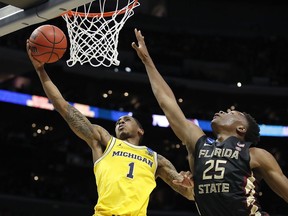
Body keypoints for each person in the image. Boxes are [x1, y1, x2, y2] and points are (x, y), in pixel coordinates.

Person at [26, 40, 194, 216]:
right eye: (118, 121)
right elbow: (62, 106)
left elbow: (189, 195)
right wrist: (40, 70)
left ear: (140, 130)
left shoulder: (156, 159)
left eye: (127, 119)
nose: (120, 122)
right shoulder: (104, 141)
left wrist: (188, 185)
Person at [132, 28, 288, 215]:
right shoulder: (199, 143)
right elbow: (168, 104)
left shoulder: (255, 154)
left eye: (233, 113)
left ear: (241, 128)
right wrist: (147, 61)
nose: (222, 111)